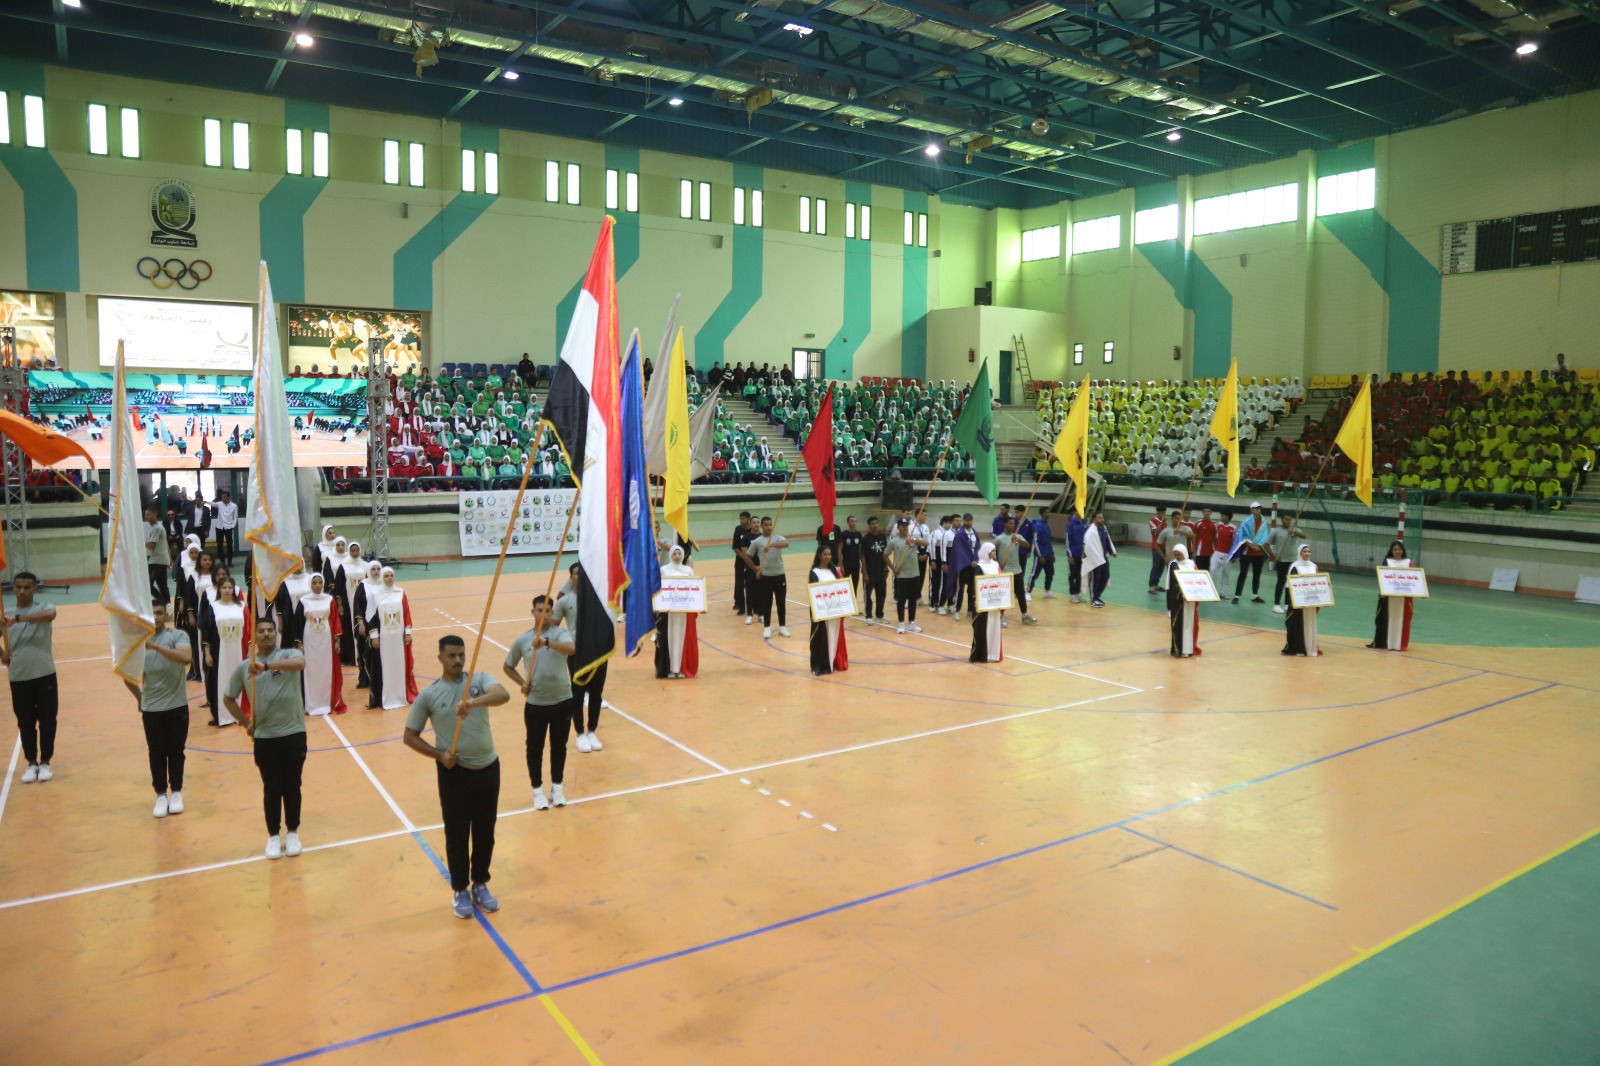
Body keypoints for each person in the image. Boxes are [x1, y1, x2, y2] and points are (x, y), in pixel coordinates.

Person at [405, 635, 511, 919]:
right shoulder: (429, 695)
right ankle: (460, 889)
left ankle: (480, 884)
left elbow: (503, 695)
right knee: (457, 833)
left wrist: (473, 703)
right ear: (440, 658)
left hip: (488, 768)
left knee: (485, 832)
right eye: (451, 656)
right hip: (454, 773)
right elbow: (410, 736)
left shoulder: (479, 680)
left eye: (461, 654)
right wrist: (439, 755)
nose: (458, 660)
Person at [223, 618, 307, 859]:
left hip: (293, 733)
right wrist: (246, 723)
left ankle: (292, 833)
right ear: (254, 635)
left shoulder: (289, 655)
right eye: (261, 631)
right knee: (272, 787)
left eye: (270, 630)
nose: (267, 634)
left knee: (292, 785)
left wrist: (267, 667)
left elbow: (300, 663)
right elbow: (228, 698)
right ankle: (273, 836)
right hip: (265, 737)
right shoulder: (244, 668)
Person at [502, 597, 576, 811]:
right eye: (539, 610)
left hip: (562, 701)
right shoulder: (523, 640)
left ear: (552, 613)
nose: (543, 614)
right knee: (534, 748)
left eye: (548, 610)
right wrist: (522, 683)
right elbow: (508, 666)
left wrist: (547, 642)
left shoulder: (560, 634)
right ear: (532, 612)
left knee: (559, 747)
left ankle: (557, 788)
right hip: (536, 704)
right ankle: (537, 791)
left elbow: (571, 649)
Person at [124, 602, 193, 818]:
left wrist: (156, 648)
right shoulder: (137, 642)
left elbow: (186, 658)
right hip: (152, 708)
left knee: (176, 751)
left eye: (160, 613)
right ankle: (161, 794)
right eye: (152, 613)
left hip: (177, 705)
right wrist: (140, 699)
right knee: (156, 752)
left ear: (166, 615)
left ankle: (177, 792)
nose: (156, 617)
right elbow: (127, 675)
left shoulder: (178, 636)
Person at [3, 573, 58, 783]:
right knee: (25, 722)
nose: (22, 591)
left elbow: (50, 616)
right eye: (18, 587)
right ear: (13, 589)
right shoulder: (5, 614)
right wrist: (3, 655)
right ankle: (31, 762)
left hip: (44, 674)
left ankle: (45, 762)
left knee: (48, 720)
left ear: (35, 588)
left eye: (27, 587)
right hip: (18, 677)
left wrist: (17, 619)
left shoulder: (44, 608)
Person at [293, 573, 345, 716]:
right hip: (309, 641)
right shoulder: (303, 601)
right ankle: (310, 703)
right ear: (310, 584)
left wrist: (336, 641)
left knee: (326, 670)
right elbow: (297, 624)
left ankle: (326, 702)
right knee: (310, 670)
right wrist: (299, 644)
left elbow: (335, 621)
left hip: (326, 641)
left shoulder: (329, 600)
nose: (317, 585)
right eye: (314, 583)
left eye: (320, 582)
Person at [200, 574, 245, 727]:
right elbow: (206, 633)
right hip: (219, 653)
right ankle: (221, 715)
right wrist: (207, 653)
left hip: (238, 652)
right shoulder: (212, 607)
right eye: (224, 587)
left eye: (230, 587)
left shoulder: (242, 606)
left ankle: (239, 714)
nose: (227, 590)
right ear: (219, 589)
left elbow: (248, 631)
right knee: (218, 683)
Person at [371, 568, 418, 710]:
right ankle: (386, 697)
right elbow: (371, 618)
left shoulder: (401, 593)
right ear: (382, 578)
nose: (389, 578)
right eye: (386, 576)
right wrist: (374, 636)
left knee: (399, 665)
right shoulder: (375, 595)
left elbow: (406, 613)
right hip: (384, 639)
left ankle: (401, 696)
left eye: (391, 575)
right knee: (385, 667)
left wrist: (407, 632)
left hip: (398, 638)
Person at [655, 545, 699, 679]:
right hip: (668, 612)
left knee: (682, 638)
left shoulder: (688, 570)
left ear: (683, 555)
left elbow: (694, 589)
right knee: (669, 638)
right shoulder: (664, 570)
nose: (677, 556)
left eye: (679, 554)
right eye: (674, 554)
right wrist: (657, 606)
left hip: (684, 611)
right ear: (670, 555)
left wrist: (698, 605)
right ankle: (669, 669)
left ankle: (681, 668)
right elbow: (658, 588)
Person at [807, 546, 849, 676]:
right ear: (819, 555)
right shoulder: (814, 572)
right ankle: (817, 666)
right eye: (825, 554)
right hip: (821, 612)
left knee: (832, 637)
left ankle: (829, 665)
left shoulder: (834, 571)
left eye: (829, 554)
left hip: (834, 611)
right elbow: (814, 592)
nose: (828, 557)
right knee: (820, 639)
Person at [749, 516, 791, 638]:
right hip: (766, 576)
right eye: (766, 525)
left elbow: (786, 544)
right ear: (762, 526)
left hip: (779, 574)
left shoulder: (778, 538)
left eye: (770, 525)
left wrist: (771, 545)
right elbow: (748, 555)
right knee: (767, 603)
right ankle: (767, 628)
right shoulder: (757, 541)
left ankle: (782, 627)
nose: (768, 527)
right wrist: (756, 568)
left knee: (781, 602)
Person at [1369, 540, 1414, 651]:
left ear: (1403, 550)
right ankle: (1385, 643)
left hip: (1404, 597)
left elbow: (1414, 579)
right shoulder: (1387, 562)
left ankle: (1400, 644)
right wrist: (1382, 591)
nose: (1397, 551)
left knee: (1402, 620)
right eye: (1395, 550)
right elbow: (1383, 578)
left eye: (1399, 549)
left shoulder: (1409, 563)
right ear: (1391, 551)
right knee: (1387, 618)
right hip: (1389, 597)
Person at [993, 517, 1038, 626]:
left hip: (1017, 570)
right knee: (1004, 594)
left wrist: (1018, 540)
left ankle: (1025, 615)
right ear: (1005, 524)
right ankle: (1001, 616)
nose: (1012, 525)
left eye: (1013, 524)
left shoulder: (1017, 536)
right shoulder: (999, 539)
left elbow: (1027, 545)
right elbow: (992, 552)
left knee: (1021, 594)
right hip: (1005, 571)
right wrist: (997, 563)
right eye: (1010, 523)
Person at [353, 560, 385, 699]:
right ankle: (366, 678)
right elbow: (358, 605)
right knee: (366, 651)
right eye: (373, 569)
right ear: (368, 571)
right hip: (367, 625)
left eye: (378, 569)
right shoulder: (363, 585)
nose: (376, 572)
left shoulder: (385, 583)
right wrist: (360, 623)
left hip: (383, 625)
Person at [1282, 544, 1322, 657]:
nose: (1307, 553)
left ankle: (1309, 648)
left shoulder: (1314, 566)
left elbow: (1319, 583)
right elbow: (1289, 585)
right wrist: (1289, 602)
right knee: (1296, 625)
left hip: (1311, 602)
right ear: (1300, 553)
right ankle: (1297, 648)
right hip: (1298, 603)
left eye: (1309, 551)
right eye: (1304, 551)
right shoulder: (1295, 566)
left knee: (1309, 625)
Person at [887, 518, 924, 634]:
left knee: (913, 600)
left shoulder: (913, 538)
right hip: (901, 576)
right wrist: (893, 569)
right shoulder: (894, 541)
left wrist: (913, 540)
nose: (905, 528)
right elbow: (885, 555)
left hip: (914, 574)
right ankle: (901, 623)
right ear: (898, 527)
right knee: (901, 600)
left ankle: (912, 622)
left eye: (906, 526)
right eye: (902, 526)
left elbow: (926, 543)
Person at [1165, 544, 1203, 658]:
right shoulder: (1173, 564)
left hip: (1189, 602)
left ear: (1185, 553)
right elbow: (1171, 584)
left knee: (1189, 625)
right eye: (1175, 554)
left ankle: (1188, 649)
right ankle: (1178, 649)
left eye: (1179, 554)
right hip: (1178, 601)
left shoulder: (1192, 564)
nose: (1177, 557)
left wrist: (1194, 594)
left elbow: (1197, 580)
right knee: (1178, 625)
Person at [968, 544, 1003, 662]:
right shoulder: (980, 567)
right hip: (984, 604)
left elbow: (1001, 581)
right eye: (992, 551)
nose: (994, 553)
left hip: (995, 603)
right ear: (986, 552)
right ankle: (983, 655)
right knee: (983, 629)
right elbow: (976, 586)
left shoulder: (996, 565)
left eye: (995, 551)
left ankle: (994, 654)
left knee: (994, 628)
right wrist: (977, 601)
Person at [1232, 503, 1271, 604]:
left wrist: (1260, 546)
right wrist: (1252, 546)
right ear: (1251, 510)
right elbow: (1242, 537)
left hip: (1259, 554)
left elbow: (1264, 536)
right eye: (1255, 508)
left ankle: (1255, 596)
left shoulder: (1263, 522)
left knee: (1257, 575)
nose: (1258, 510)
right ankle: (1236, 596)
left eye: (1259, 508)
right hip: (1247, 554)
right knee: (1243, 574)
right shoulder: (1246, 522)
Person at [946, 513, 979, 619]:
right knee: (960, 588)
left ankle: (970, 609)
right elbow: (960, 551)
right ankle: (957, 610)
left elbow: (977, 547)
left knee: (972, 588)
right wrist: (969, 561)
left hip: (974, 565)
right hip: (963, 565)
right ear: (964, 521)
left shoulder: (974, 533)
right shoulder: (960, 534)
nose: (969, 522)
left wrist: (976, 559)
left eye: (971, 520)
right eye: (967, 520)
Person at [1083, 511, 1116, 607]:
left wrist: (1111, 551)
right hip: (1094, 559)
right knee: (1095, 579)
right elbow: (1088, 546)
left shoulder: (1104, 528)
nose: (1102, 520)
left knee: (1105, 577)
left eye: (1102, 518)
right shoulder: (1091, 531)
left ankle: (1097, 596)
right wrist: (1092, 558)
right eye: (1100, 518)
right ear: (1094, 519)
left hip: (1103, 557)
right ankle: (1093, 599)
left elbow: (1107, 541)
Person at [860, 516, 888, 624]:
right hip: (870, 572)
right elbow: (862, 556)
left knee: (881, 594)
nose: (875, 525)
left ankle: (879, 615)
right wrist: (865, 573)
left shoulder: (882, 537)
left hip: (881, 571)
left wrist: (886, 568)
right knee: (868, 594)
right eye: (872, 524)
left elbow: (885, 553)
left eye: (876, 523)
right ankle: (868, 616)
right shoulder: (865, 539)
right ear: (869, 525)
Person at [1025, 511, 1056, 600]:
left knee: (1050, 573)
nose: (1049, 514)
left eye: (1049, 512)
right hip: (1040, 556)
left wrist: (1052, 553)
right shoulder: (1038, 525)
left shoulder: (1048, 526)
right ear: (1042, 514)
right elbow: (1035, 541)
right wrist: (1040, 555)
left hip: (1049, 554)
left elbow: (1049, 542)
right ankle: (1028, 592)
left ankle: (1047, 591)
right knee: (1034, 574)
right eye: (1047, 512)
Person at [731, 512, 756, 622]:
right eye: (740, 519)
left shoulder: (753, 531)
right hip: (740, 561)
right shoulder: (738, 530)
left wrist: (750, 559)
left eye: (743, 519)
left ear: (748, 519)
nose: (741, 521)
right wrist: (744, 557)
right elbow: (735, 547)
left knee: (752, 584)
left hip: (752, 562)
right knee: (739, 583)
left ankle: (755, 605)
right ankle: (740, 604)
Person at [144, 508, 171, 606]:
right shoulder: (159, 527)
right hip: (162, 560)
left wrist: (140, 543)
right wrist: (169, 559)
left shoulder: (157, 528)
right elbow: (166, 545)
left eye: (148, 514)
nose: (146, 517)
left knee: (147, 584)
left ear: (155, 514)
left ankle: (162, 602)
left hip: (156, 561)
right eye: (145, 515)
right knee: (162, 585)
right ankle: (167, 604)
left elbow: (151, 546)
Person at [1211, 510, 1236, 597]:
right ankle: (1213, 592)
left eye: (1223, 515)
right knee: (1213, 570)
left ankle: (1223, 593)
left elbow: (1235, 543)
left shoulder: (1233, 528)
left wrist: (1234, 555)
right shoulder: (1218, 525)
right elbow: (1215, 538)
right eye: (1221, 515)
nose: (1221, 517)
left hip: (1227, 555)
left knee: (1226, 574)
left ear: (1228, 517)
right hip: (1217, 552)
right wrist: (1215, 548)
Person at [1065, 509, 1087, 604]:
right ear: (1075, 512)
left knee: (1079, 574)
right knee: (1072, 574)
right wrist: (1070, 555)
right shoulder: (1071, 524)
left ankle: (1077, 593)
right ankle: (1072, 595)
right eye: (1079, 511)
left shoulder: (1084, 523)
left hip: (1082, 554)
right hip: (1073, 554)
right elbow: (1067, 541)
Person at [212, 489, 239, 565]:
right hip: (219, 528)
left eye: (224, 497)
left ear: (228, 497)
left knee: (229, 545)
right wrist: (205, 502)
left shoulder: (234, 506)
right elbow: (213, 504)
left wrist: (232, 526)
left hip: (228, 528)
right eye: (222, 497)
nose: (222, 498)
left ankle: (229, 561)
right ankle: (222, 562)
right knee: (219, 545)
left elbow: (235, 517)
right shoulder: (219, 504)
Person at [1146, 503, 1168, 594]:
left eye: (1164, 512)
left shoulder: (1165, 523)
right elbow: (1156, 532)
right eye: (1162, 512)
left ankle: (1156, 584)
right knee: (1156, 566)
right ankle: (1151, 585)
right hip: (1156, 547)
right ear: (1158, 512)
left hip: (1164, 546)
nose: (1163, 514)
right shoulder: (1152, 521)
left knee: (1161, 566)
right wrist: (1162, 522)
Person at [839, 516, 862, 597]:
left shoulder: (858, 534)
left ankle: (854, 603)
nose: (854, 523)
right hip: (846, 564)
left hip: (856, 565)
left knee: (854, 586)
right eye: (852, 521)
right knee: (844, 586)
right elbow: (840, 549)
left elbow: (860, 550)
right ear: (848, 522)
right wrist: (841, 565)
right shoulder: (844, 534)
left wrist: (862, 564)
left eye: (855, 521)